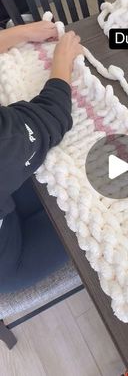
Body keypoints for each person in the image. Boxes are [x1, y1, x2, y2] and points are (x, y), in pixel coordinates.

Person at [0, 20, 83, 293]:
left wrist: (20, 33)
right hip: (8, 262)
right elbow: (52, 116)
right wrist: (63, 60)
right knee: (95, 203)